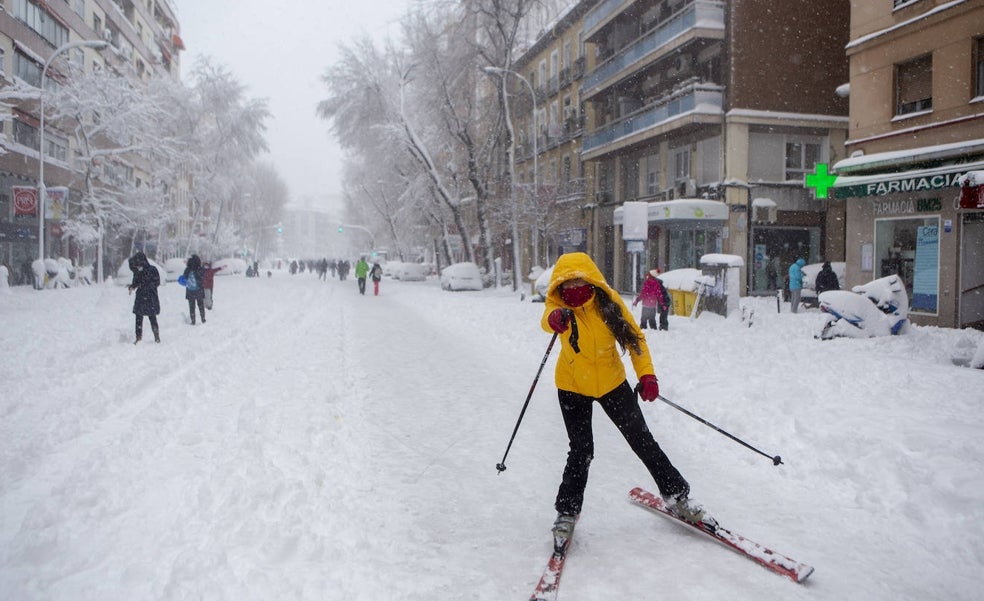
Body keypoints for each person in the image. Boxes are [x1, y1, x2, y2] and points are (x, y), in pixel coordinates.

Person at [541, 252, 709, 540]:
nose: (571, 289)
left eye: (577, 281)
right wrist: (555, 318)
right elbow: (546, 319)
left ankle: (678, 496)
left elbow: (635, 340)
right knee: (581, 451)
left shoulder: (609, 303)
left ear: (590, 279)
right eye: (565, 284)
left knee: (643, 440)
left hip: (612, 383)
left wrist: (647, 375)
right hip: (572, 386)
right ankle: (567, 512)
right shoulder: (559, 306)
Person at [127, 252, 160, 343]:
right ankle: (140, 337)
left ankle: (155, 336)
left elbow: (156, 282)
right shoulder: (139, 271)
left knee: (149, 317)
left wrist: (145, 284)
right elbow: (136, 283)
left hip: (148, 296)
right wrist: (132, 287)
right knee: (141, 317)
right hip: (144, 296)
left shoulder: (151, 270)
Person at [183, 254, 207, 325]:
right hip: (198, 290)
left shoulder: (187, 269)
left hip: (190, 291)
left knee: (192, 307)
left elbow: (185, 277)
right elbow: (203, 277)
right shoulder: (200, 269)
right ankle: (203, 319)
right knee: (201, 305)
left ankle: (193, 321)